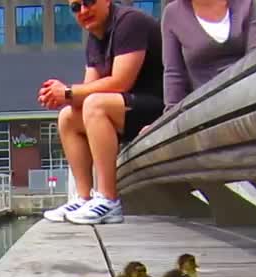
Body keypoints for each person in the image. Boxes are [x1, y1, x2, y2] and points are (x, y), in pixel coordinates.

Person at [39, 0, 164, 225]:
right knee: (68, 116)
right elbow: (87, 92)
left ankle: (109, 200)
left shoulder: (129, 22)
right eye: (76, 7)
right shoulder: (95, 38)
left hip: (160, 110)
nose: (83, 11)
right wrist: (61, 95)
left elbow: (120, 82)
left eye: (89, 2)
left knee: (95, 105)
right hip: (125, 111)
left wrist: (67, 92)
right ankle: (84, 197)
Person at [161, 0, 256, 113]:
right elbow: (174, 72)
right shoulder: (173, 14)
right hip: (205, 108)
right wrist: (170, 116)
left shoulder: (246, 4)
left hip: (245, 97)